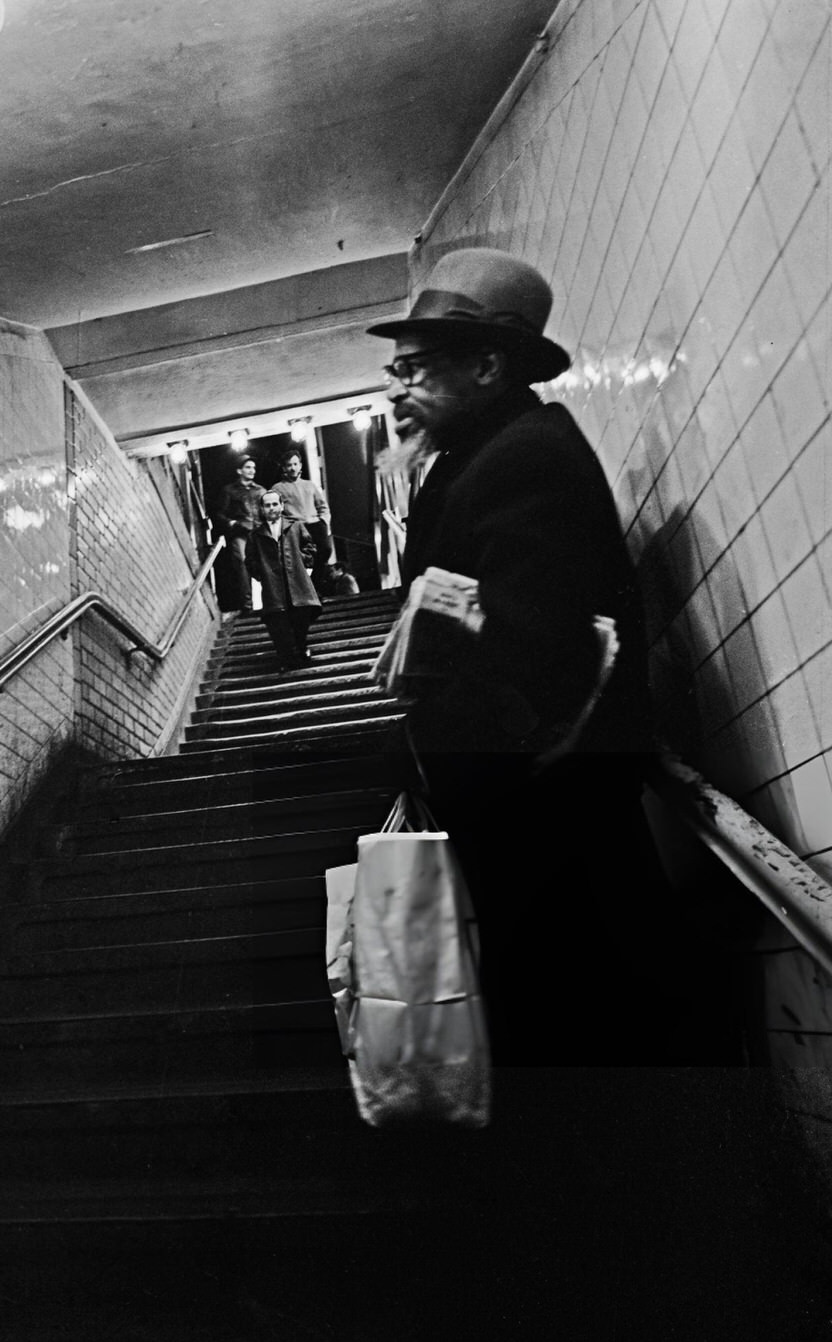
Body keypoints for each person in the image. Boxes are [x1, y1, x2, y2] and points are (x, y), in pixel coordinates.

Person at [367, 247, 711, 1066]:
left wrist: (435, 748)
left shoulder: (525, 460)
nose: (395, 386)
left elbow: (534, 653)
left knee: (589, 1046)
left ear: (486, 365)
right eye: (396, 367)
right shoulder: (483, 458)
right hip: (536, 822)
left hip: (552, 833)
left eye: (414, 368)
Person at [244, 490, 321, 673]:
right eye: (267, 505)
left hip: (297, 583)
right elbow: (250, 560)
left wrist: (300, 560)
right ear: (262, 509)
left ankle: (301, 651)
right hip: (273, 587)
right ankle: (287, 658)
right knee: (278, 621)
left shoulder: (295, 526)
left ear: (281, 506)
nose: (271, 508)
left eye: (274, 504)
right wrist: (263, 574)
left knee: (300, 618)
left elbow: (310, 547)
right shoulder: (256, 535)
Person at [212, 456, 266, 611]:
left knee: (264, 564)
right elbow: (220, 514)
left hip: (259, 532)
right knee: (243, 563)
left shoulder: (260, 490)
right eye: (248, 467)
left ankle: (270, 602)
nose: (252, 471)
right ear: (239, 470)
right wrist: (232, 523)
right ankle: (248, 604)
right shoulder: (229, 490)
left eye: (254, 468)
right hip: (240, 533)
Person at [270, 451, 333, 580]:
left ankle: (315, 582)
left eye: (295, 464)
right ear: (284, 468)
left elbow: (323, 506)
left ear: (300, 465)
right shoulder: (278, 488)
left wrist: (323, 522)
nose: (292, 468)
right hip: (295, 527)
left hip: (314, 523)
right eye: (289, 465)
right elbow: (275, 513)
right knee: (299, 559)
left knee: (325, 550)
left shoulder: (309, 485)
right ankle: (305, 586)